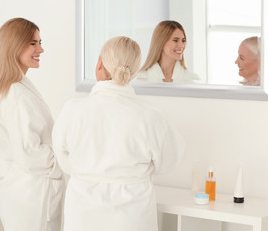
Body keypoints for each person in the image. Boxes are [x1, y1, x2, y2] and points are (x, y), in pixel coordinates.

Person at [52, 36, 186, 231]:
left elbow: (63, 158)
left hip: (83, 212)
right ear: (134, 72)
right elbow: (170, 160)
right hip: (133, 216)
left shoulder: (73, 110)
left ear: (99, 64)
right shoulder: (150, 116)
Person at [0, 18, 65, 231]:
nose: (41, 49)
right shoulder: (15, 93)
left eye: (40, 42)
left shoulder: (10, 87)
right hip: (34, 195)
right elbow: (30, 153)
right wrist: (63, 160)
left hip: (23, 191)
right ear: (14, 46)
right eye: (33, 43)